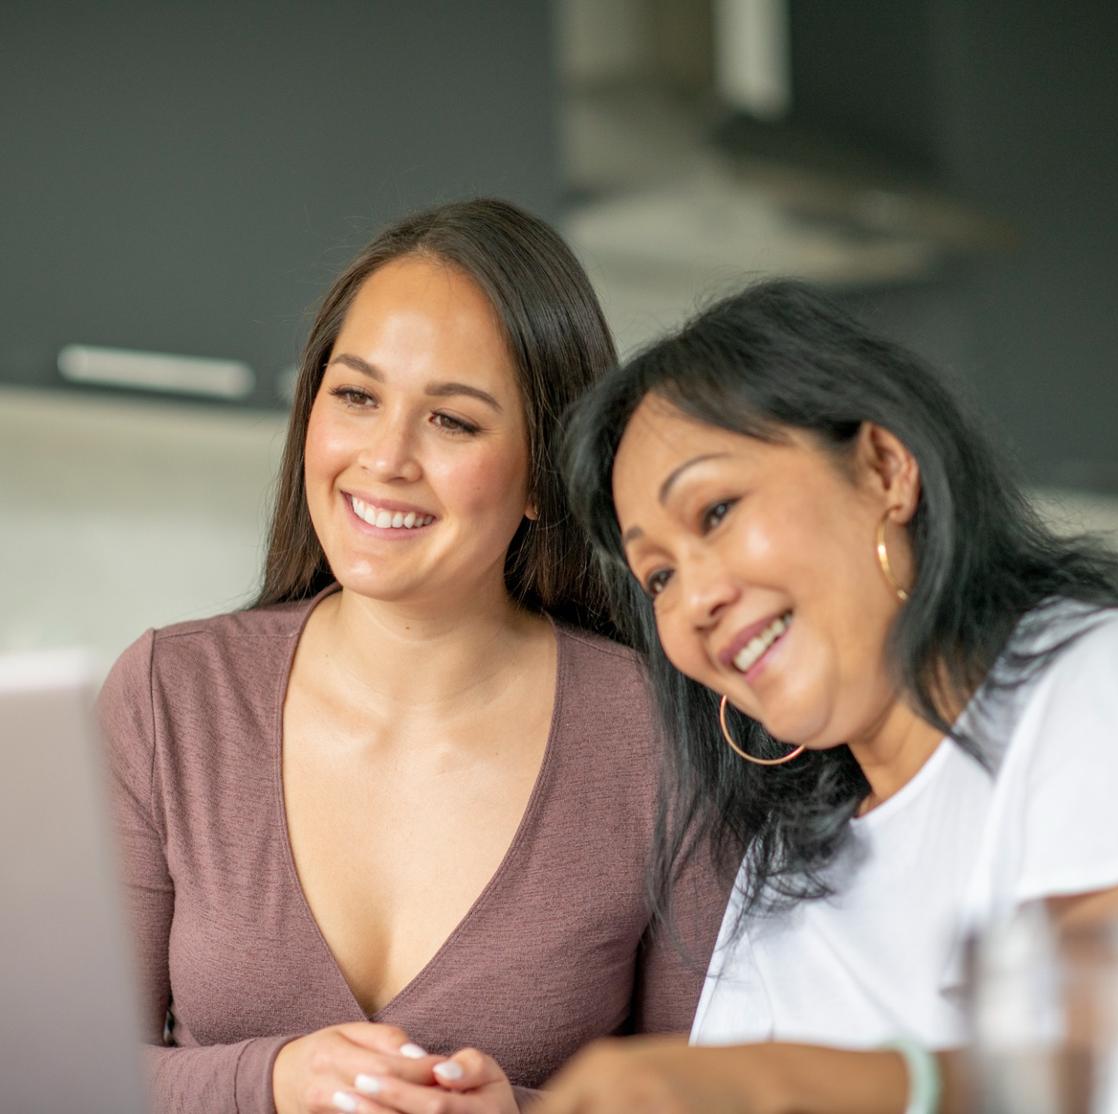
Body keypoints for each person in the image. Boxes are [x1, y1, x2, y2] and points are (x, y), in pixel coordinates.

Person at [541, 279, 1118, 1113]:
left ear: (884, 469)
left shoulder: (1108, 683)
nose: (691, 603)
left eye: (716, 511)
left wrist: (777, 1085)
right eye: (658, 576)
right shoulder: (787, 866)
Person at [96, 199, 727, 1114]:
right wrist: (270, 1081)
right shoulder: (170, 698)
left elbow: (713, 1097)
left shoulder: (665, 739)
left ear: (546, 479)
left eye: (454, 422)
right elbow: (67, 1071)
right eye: (356, 397)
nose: (386, 457)